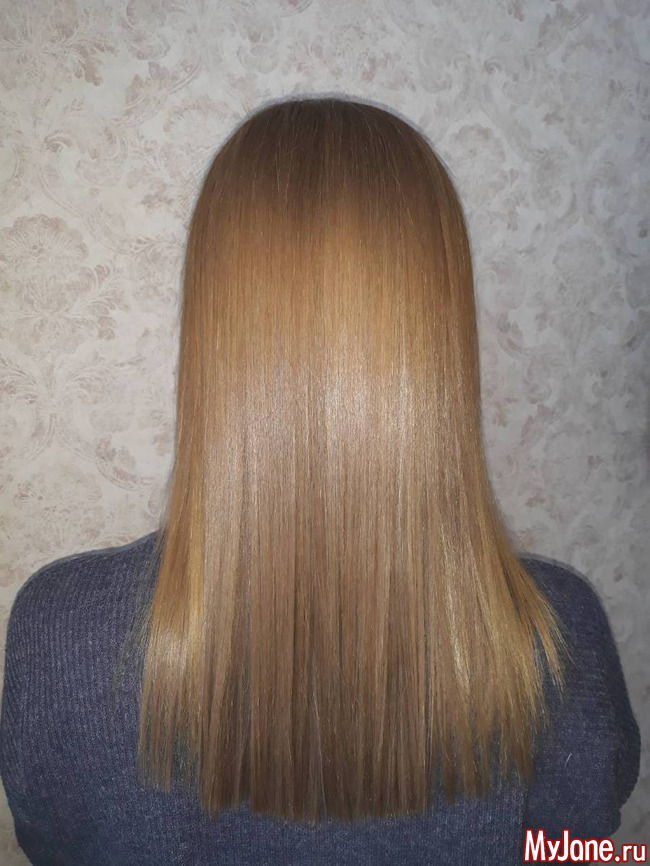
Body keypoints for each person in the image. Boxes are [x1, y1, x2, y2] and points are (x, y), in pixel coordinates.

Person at [0, 96, 640, 865]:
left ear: (212, 322)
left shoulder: (61, 637)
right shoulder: (554, 640)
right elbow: (573, 848)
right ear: (441, 326)